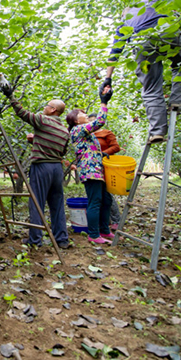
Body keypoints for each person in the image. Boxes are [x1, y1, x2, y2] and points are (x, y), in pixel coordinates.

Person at [101, 0, 181, 144]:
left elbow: (114, 54)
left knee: (151, 87)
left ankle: (157, 132)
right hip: (166, 31)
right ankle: (178, 100)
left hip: (141, 42)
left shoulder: (124, 25)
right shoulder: (151, 3)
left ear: (124, 15)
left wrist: (108, 79)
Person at [0, 76, 70, 249]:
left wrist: (10, 95)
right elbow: (61, 152)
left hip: (42, 167)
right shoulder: (64, 130)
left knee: (36, 201)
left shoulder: (43, 120)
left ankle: (35, 239)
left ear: (53, 110)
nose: (44, 108)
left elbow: (22, 113)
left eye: (47, 105)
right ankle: (61, 239)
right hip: (57, 168)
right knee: (57, 203)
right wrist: (37, 141)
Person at [66, 86, 114, 244]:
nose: (86, 115)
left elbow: (89, 150)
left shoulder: (85, 133)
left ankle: (104, 230)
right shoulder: (77, 130)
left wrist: (101, 154)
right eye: (82, 114)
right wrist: (103, 102)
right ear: (75, 120)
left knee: (106, 200)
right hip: (90, 171)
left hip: (97, 170)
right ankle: (93, 234)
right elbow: (100, 121)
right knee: (95, 201)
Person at [88, 113, 122, 229]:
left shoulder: (106, 133)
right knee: (96, 196)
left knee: (107, 195)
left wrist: (104, 153)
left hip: (105, 166)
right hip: (91, 167)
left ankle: (115, 220)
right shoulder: (86, 134)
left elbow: (116, 147)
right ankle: (102, 222)